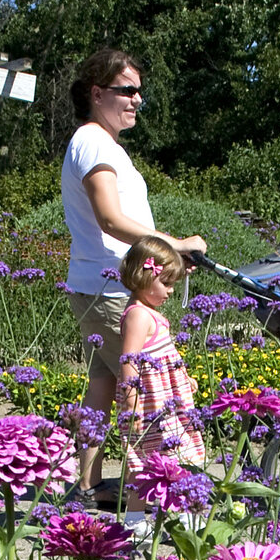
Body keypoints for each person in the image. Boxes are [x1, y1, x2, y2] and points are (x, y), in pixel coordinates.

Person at [61, 48, 204, 494]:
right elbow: (109, 218)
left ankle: (88, 486)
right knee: (143, 387)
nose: (137, 99)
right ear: (97, 93)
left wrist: (163, 264)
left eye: (140, 91)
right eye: (127, 90)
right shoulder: (93, 141)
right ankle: (156, 482)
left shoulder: (104, 144)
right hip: (109, 289)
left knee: (102, 387)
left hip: (100, 284)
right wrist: (173, 246)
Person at [112, 236, 206, 533]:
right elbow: (129, 358)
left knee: (169, 455)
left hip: (167, 401)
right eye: (166, 283)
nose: (171, 290)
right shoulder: (138, 315)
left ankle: (161, 516)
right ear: (144, 276)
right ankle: (141, 520)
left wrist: (183, 376)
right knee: (153, 460)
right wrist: (131, 399)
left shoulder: (149, 311)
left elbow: (164, 353)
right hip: (149, 404)